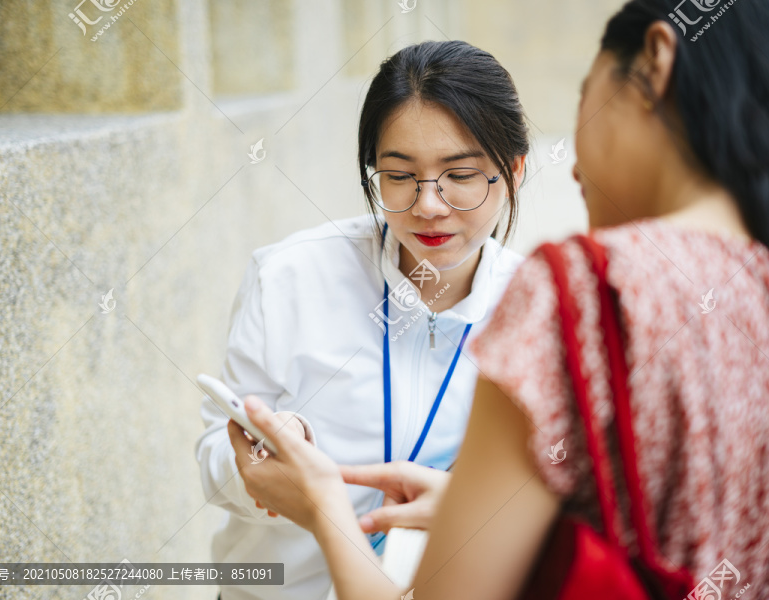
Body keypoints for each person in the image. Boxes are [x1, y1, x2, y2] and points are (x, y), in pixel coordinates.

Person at [228, 0, 769, 598]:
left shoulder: (583, 290)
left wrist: (324, 509)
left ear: (656, 65)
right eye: (398, 174)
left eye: (587, 91)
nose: (428, 203)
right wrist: (476, 510)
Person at [195, 40, 531, 600]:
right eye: (399, 175)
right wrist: (259, 462)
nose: (428, 204)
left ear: (513, 171)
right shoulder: (289, 276)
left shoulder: (539, 311)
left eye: (461, 175)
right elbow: (214, 452)